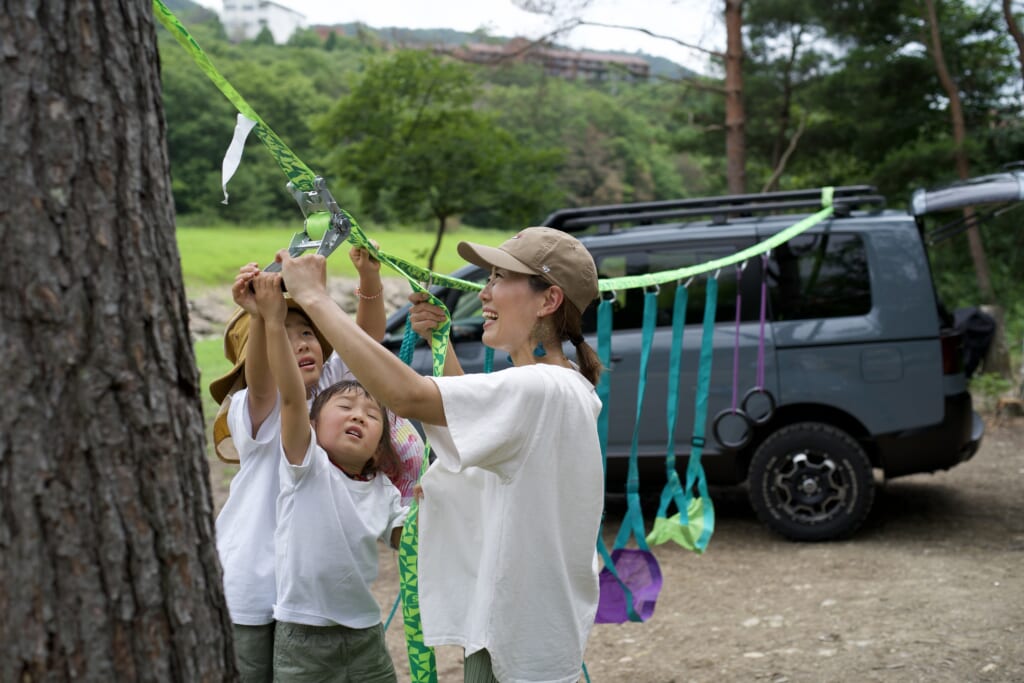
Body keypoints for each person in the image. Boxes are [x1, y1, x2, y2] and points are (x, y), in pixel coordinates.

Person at [278, 226, 605, 683]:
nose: (484, 291)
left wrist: (315, 299)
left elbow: (408, 397)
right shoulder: (564, 384)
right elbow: (470, 425)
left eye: (499, 278)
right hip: (520, 635)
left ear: (548, 300)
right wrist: (442, 342)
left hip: (515, 650)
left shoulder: (541, 388)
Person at [210, 246, 422, 683]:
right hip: (252, 584)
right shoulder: (254, 405)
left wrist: (368, 280)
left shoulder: (331, 398)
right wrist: (261, 315)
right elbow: (272, 383)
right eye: (285, 336)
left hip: (305, 599)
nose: (302, 342)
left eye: (306, 332)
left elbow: (366, 338)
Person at [250, 274, 407, 683]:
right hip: (302, 638)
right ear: (313, 424)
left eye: (372, 415)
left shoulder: (384, 489)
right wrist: (270, 319)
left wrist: (436, 500)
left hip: (366, 633)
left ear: (379, 447)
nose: (359, 414)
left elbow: (409, 540)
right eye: (346, 407)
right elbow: (289, 396)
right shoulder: (307, 466)